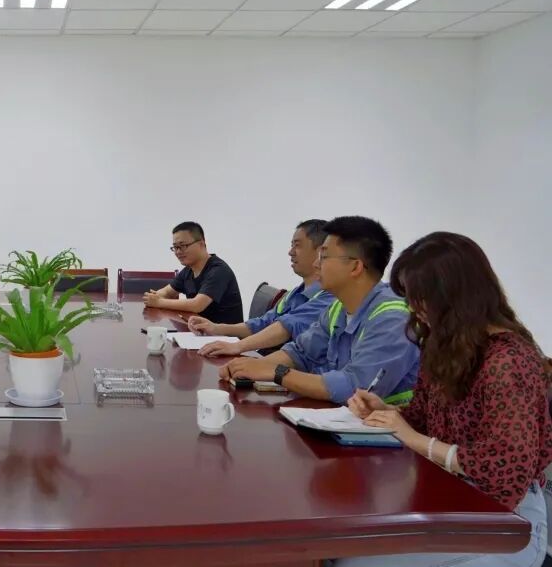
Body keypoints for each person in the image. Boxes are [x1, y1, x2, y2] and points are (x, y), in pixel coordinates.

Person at [340, 232, 551, 567]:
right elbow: (423, 418)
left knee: (355, 562)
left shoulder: (507, 360)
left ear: (453, 296)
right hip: (452, 495)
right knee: (344, 549)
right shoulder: (446, 345)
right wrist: (387, 411)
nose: (413, 307)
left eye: (419, 297)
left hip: (509, 522)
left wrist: (411, 437)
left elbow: (504, 470)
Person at [220, 216, 419, 405]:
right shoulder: (339, 307)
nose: (316, 264)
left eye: (323, 257)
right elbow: (300, 353)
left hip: (380, 426)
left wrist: (277, 372)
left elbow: (354, 387)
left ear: (355, 267)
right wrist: (251, 368)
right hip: (336, 418)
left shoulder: (393, 318)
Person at [197, 220, 334, 357]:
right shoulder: (295, 293)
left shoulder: (330, 297)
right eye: (291, 246)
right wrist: (217, 328)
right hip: (275, 360)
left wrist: (236, 347)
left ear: (321, 251)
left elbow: (286, 327)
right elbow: (263, 323)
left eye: (297, 245)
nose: (290, 252)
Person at [143, 221, 244, 324]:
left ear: (201, 244)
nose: (178, 252)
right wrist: (155, 296)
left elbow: (197, 305)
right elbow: (168, 292)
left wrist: (159, 302)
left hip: (225, 332)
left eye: (183, 246)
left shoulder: (218, 270)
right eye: (175, 247)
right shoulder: (188, 270)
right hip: (201, 329)